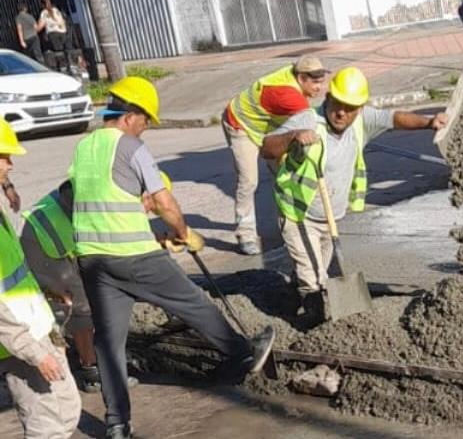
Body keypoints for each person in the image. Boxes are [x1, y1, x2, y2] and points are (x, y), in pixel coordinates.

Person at [73, 77, 273, 439]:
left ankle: (117, 424)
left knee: (108, 342)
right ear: (130, 115)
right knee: (192, 302)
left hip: (92, 259)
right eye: (146, 119)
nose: (146, 127)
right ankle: (243, 352)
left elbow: (102, 201)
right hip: (133, 256)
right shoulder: (131, 147)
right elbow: (163, 201)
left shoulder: (85, 147)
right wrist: (184, 234)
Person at [261, 67, 446, 322]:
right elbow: (267, 148)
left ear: (359, 108)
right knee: (314, 279)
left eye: (350, 108)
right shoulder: (307, 120)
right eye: (337, 104)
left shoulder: (361, 120)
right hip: (298, 213)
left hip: (331, 216)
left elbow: (394, 118)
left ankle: (288, 301)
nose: (341, 113)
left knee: (315, 268)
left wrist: (428, 122)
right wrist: (293, 137)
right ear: (328, 98)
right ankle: (316, 327)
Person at [21, 174, 170, 392]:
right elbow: (120, 241)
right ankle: (92, 371)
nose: (148, 212)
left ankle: (101, 356)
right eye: (151, 205)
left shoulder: (120, 192)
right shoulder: (115, 200)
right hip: (45, 239)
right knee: (83, 306)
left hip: (61, 233)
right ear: (145, 193)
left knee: (96, 293)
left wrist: (160, 239)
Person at [0, 120, 81, 439]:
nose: (11, 162)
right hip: (20, 342)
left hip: (35, 326)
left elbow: (11, 271)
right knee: (46, 425)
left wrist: (44, 290)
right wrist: (34, 352)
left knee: (67, 410)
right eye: (4, 155)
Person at [222, 56, 329, 255]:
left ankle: (290, 228)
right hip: (241, 125)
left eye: (322, 81)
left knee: (283, 175)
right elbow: (311, 123)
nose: (320, 87)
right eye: (315, 82)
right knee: (249, 180)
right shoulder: (288, 95)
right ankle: (245, 234)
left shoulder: (294, 83)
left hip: (269, 126)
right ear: (301, 78)